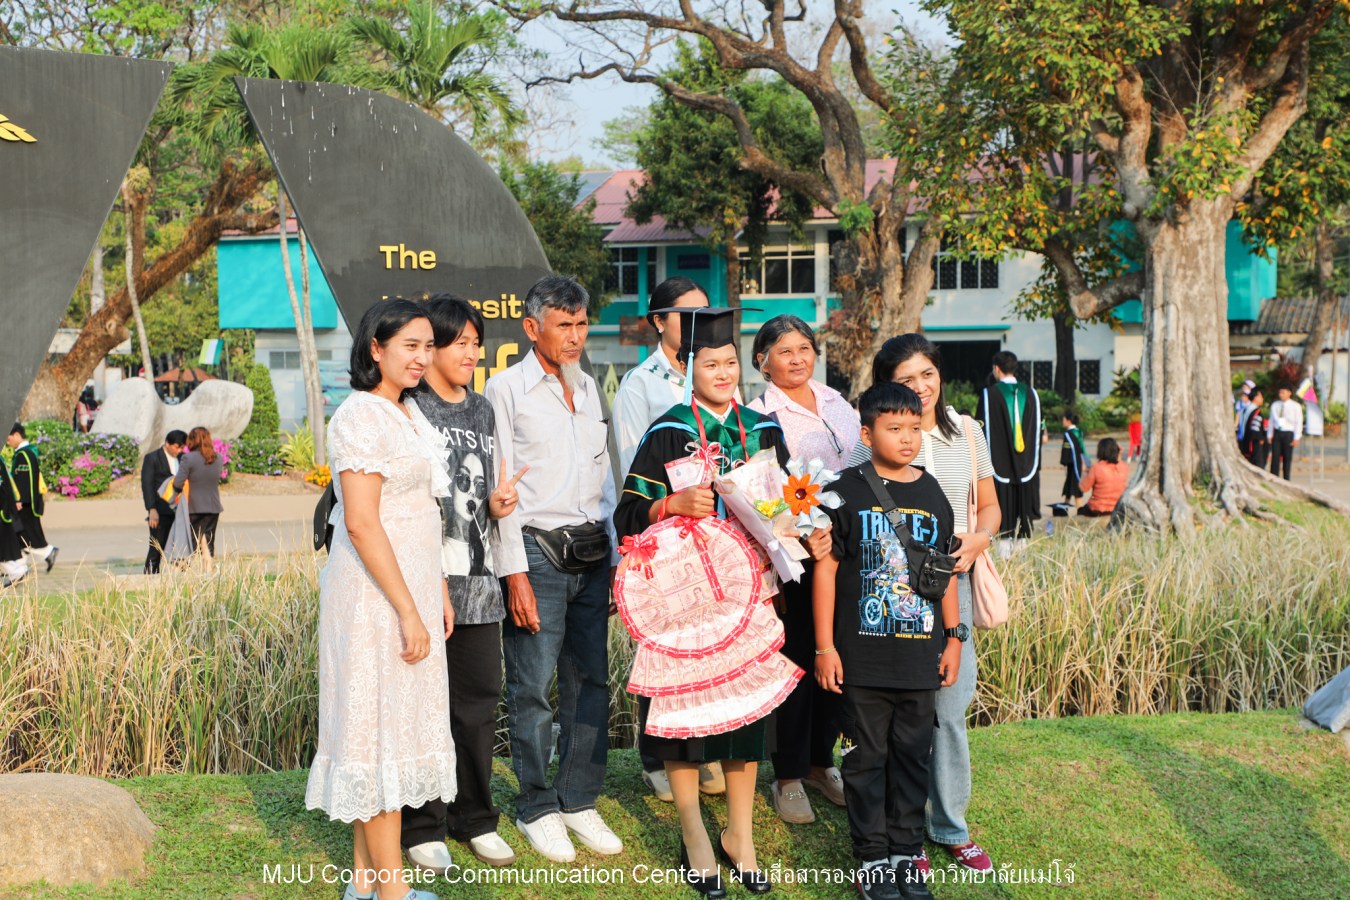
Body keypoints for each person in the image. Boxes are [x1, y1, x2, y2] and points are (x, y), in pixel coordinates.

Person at [615, 305, 809, 897]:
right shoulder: (668, 430)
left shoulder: (764, 430)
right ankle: (696, 836)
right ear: (688, 367)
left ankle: (740, 839)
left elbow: (791, 504)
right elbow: (626, 514)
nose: (722, 373)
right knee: (684, 725)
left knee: (747, 719)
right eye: (709, 363)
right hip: (686, 603)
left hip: (753, 595)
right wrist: (670, 507)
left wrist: (798, 522)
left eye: (729, 363)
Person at [304, 298, 454, 900]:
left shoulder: (408, 412)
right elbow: (362, 523)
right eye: (409, 346)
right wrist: (408, 609)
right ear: (376, 349)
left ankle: (365, 885)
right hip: (374, 598)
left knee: (388, 731)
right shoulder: (360, 417)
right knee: (377, 735)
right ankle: (392, 892)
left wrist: (435, 588)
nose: (421, 358)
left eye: (427, 346)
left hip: (411, 586)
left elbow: (422, 510)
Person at [845, 335, 1000, 875]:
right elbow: (849, 500)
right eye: (907, 379)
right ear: (888, 386)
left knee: (949, 709)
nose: (921, 387)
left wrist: (977, 541)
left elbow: (991, 509)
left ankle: (949, 826)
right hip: (884, 593)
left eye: (927, 374)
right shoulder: (874, 436)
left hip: (947, 586)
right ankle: (895, 832)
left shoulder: (969, 432)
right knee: (897, 722)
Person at [484, 275, 623, 864]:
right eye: (563, 324)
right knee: (534, 687)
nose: (574, 336)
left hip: (592, 552)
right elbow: (501, 488)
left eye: (581, 323)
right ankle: (537, 804)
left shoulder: (590, 387)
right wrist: (513, 573)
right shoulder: (505, 389)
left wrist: (616, 556)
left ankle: (578, 798)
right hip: (536, 553)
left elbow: (604, 482)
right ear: (532, 327)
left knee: (591, 681)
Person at [815, 382, 961, 900]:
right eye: (893, 428)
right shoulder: (844, 489)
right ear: (866, 431)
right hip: (861, 657)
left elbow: (943, 572)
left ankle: (905, 852)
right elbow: (826, 571)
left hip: (920, 658)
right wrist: (825, 648)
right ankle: (872, 858)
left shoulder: (933, 492)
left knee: (911, 757)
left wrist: (954, 638)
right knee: (864, 758)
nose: (906, 439)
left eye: (914, 429)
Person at [400, 294, 521, 871]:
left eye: (477, 342)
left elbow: (476, 501)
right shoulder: (409, 408)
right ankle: (422, 824)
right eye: (460, 343)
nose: (472, 353)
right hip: (426, 583)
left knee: (477, 704)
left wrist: (496, 505)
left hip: (479, 581)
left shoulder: (482, 410)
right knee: (425, 706)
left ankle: (474, 817)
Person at [609, 276, 728, 803]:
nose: (699, 323)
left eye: (707, 312)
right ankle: (657, 758)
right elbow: (637, 465)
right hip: (663, 534)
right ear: (659, 321)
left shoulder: (717, 372)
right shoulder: (641, 384)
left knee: (706, 648)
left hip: (716, 537)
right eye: (687, 314)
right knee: (663, 647)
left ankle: (703, 751)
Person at [747, 314, 859, 825]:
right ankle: (788, 773)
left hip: (848, 548)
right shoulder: (757, 416)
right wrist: (800, 531)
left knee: (837, 659)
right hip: (796, 555)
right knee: (796, 659)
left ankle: (820, 761)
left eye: (805, 348)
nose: (798, 358)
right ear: (762, 361)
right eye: (785, 350)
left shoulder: (838, 403)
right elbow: (760, 495)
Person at [975, 351, 1041, 544]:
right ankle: (1023, 544)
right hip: (1026, 462)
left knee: (1002, 504)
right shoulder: (1031, 393)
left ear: (997, 369)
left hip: (999, 460)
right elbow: (1038, 428)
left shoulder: (989, 395)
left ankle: (1003, 543)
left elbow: (980, 429)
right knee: (1023, 509)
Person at [172, 426, 225, 569]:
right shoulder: (218, 458)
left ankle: (179, 578)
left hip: (193, 508)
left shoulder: (188, 458)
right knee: (207, 542)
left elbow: (178, 483)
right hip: (213, 507)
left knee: (187, 543)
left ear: (192, 440)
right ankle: (207, 576)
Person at [7, 424, 58, 573]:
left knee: (25, 534)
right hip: (27, 502)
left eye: (9, 438)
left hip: (25, 504)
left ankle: (48, 552)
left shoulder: (24, 455)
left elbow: (24, 480)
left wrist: (19, 500)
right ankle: (19, 568)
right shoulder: (28, 453)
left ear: (17, 435)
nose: (7, 441)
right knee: (21, 536)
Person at [141, 430, 186, 574]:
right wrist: (151, 509)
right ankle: (150, 577)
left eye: (181, 448)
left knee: (181, 547)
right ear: (167, 443)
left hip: (179, 510)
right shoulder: (152, 458)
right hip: (160, 510)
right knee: (156, 546)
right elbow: (147, 485)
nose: (178, 450)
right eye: (176, 447)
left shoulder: (183, 458)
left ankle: (180, 577)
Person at [1078, 438, 1128, 517]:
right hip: (1117, 507)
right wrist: (1119, 452)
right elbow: (1117, 462)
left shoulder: (1096, 467)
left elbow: (1083, 488)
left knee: (1080, 511)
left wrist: (1084, 472)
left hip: (1097, 508)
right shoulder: (1124, 467)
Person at [0, 452, 28, 588]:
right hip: (4, 506)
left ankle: (16, 571)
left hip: (3, 507)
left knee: (3, 545)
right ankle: (16, 570)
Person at [1269, 385, 1303, 480]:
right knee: (1275, 457)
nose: (1281, 395)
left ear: (1289, 393)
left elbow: (1298, 422)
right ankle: (1274, 477)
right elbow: (1272, 420)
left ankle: (1286, 479)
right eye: (1280, 392)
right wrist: (1269, 434)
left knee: (1287, 458)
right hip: (1278, 432)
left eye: (1283, 392)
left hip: (1288, 433)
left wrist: (1297, 437)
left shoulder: (1295, 406)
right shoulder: (1275, 405)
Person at [1059, 412, 1087, 507]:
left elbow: (1066, 449)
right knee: (1070, 487)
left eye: (1063, 420)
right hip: (1078, 462)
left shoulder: (1068, 434)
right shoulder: (1079, 432)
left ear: (1068, 421)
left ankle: (1080, 511)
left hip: (1072, 464)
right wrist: (1084, 462)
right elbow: (1082, 448)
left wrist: (1064, 461)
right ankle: (1064, 509)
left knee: (1074, 487)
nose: (1062, 422)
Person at [1237, 388, 1268, 467]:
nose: (1262, 399)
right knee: (1258, 464)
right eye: (1260, 397)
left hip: (1244, 441)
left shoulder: (1244, 409)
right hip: (1254, 443)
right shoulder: (1256, 411)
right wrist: (1260, 438)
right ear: (1255, 397)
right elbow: (1255, 428)